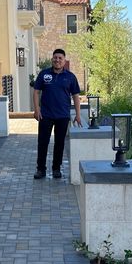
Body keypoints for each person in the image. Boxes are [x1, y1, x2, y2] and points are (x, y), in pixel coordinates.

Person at [32, 49, 82, 179]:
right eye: (55, 58)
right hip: (46, 115)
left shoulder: (70, 77)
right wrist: (37, 109)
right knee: (43, 143)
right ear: (52, 59)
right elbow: (36, 91)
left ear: (64, 60)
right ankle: (41, 169)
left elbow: (76, 96)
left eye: (60, 58)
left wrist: (78, 114)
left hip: (63, 116)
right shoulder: (44, 74)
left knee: (59, 143)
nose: (57, 60)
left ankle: (56, 169)